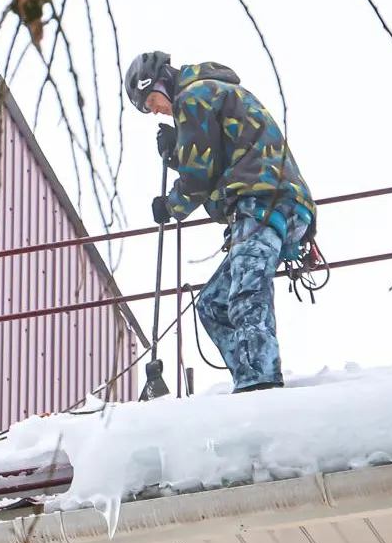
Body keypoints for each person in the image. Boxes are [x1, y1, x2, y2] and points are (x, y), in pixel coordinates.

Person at [125, 51, 315, 393]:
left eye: (152, 100)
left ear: (162, 83)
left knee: (245, 294)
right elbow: (215, 156)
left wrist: (170, 205)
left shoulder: (194, 96)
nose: (156, 110)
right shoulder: (209, 95)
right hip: (271, 204)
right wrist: (178, 154)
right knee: (214, 304)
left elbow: (199, 177)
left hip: (263, 201)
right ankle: (249, 374)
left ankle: (260, 384)